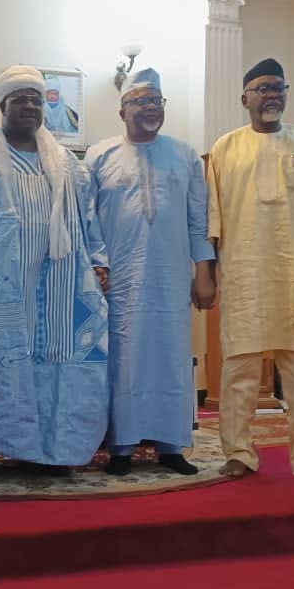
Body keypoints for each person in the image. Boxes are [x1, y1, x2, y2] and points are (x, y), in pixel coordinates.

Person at [0, 65, 110, 490]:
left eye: (36, 99)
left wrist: (99, 261)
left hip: (57, 284)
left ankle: (47, 452)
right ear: (3, 106)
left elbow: (88, 218)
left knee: (54, 367)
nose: (30, 107)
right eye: (20, 100)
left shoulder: (67, 162)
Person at [206, 58, 294, 484]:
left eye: (279, 88)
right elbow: (213, 219)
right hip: (243, 273)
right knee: (239, 372)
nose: (272, 95)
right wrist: (209, 274)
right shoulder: (225, 148)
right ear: (244, 98)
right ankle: (239, 452)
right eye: (263, 88)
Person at [86, 68, 216, 476]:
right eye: (140, 101)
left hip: (171, 275)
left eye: (155, 101)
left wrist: (205, 271)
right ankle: (121, 446)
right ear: (122, 109)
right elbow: (86, 220)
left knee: (172, 355)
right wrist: (96, 265)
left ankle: (170, 444)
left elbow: (200, 220)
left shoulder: (185, 155)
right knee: (124, 356)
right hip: (119, 277)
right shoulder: (99, 155)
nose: (149, 108)